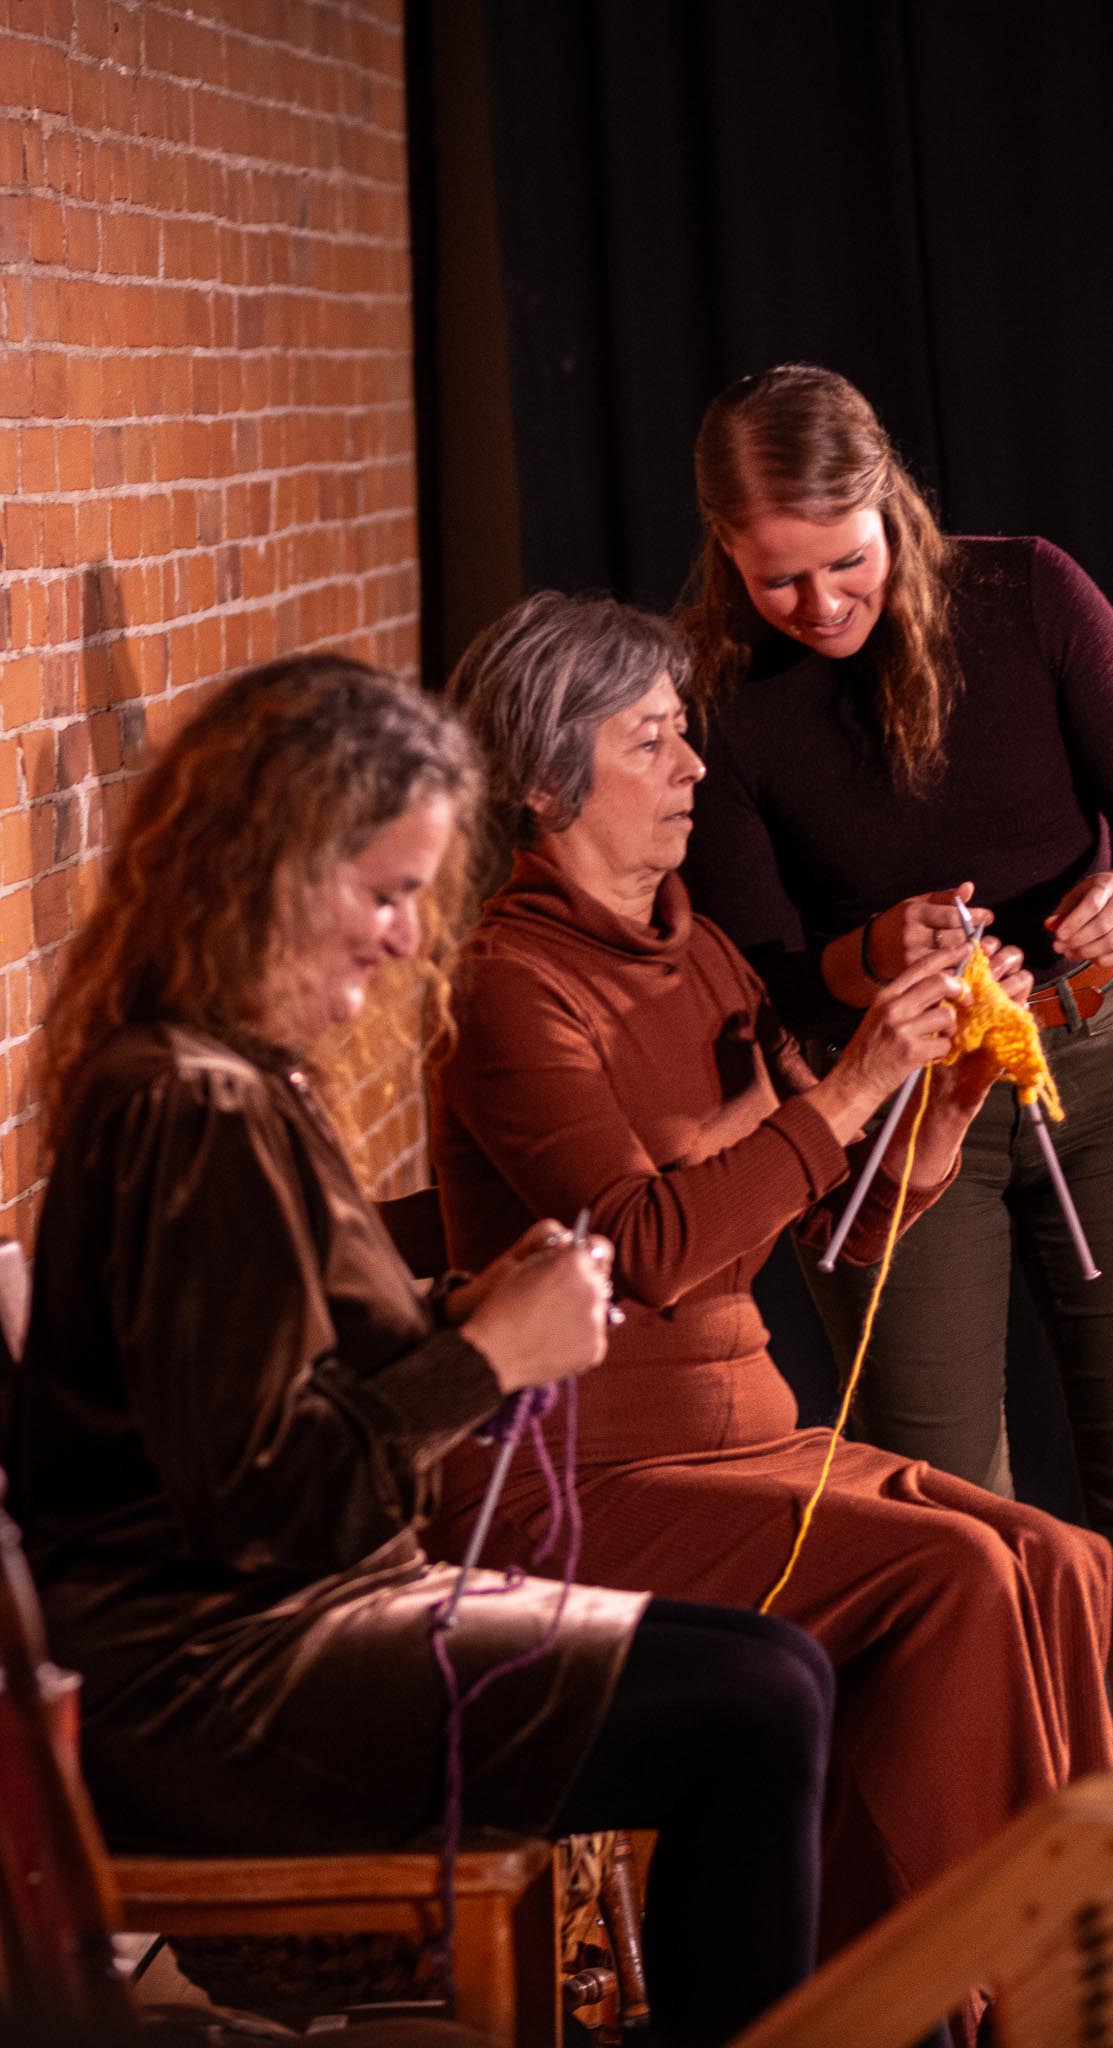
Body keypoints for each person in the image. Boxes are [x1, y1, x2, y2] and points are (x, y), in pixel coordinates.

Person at [8, 653, 842, 2048]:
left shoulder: (228, 1077)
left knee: (782, 1672)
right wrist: (486, 1358)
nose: (405, 942)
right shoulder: (190, 1107)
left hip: (276, 1633)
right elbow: (260, 1500)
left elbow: (281, 1383)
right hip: (217, 1688)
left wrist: (463, 1312)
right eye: (386, 894)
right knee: (754, 1701)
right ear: (272, 869)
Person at [680, 361, 1113, 2048]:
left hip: (1105, 1074)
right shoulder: (716, 695)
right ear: (722, 552)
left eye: (844, 561)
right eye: (776, 577)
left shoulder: (1024, 597)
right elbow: (759, 965)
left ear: (894, 508)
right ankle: (990, 1927)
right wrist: (872, 953)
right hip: (890, 1112)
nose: (819, 604)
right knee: (952, 1535)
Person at [429, 590, 1113, 1984]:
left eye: (684, 734)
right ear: (549, 784)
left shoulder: (704, 954)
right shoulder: (510, 985)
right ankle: (946, 1990)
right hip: (583, 1480)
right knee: (951, 1578)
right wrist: (856, 1084)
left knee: (1059, 1560)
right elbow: (643, 1249)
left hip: (745, 1443)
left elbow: (837, 1231)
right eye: (652, 742)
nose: (694, 765)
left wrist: (940, 1099)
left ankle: (1017, 1978)